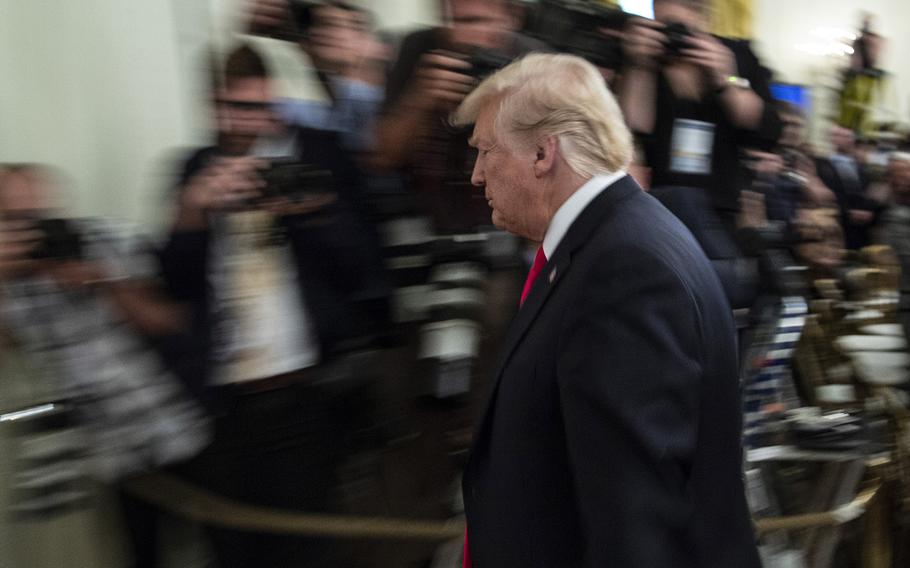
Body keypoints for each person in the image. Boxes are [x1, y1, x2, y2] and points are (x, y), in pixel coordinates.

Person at [452, 53, 760, 567]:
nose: (477, 175)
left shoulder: (623, 270)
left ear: (542, 153)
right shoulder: (613, 239)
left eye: (486, 151)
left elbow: (636, 514)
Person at [158, 43, 390, 567]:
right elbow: (173, 283)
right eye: (237, 107)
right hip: (225, 403)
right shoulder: (193, 170)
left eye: (262, 107)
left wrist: (311, 210)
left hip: (306, 393)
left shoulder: (317, 155)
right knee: (237, 550)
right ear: (213, 104)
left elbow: (363, 269)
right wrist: (193, 212)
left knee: (310, 549)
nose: (251, 121)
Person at [618, 0, 781, 233]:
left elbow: (769, 130)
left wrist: (727, 79)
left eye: (693, 9)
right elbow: (633, 131)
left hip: (722, 209)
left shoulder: (735, 55)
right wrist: (640, 67)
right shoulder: (644, 54)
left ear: (706, 14)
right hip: (656, 208)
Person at [816, 125, 876, 249]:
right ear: (832, 138)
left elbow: (868, 192)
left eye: (847, 136)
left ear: (852, 140)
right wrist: (846, 212)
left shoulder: (861, 168)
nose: (842, 139)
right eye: (838, 135)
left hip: (860, 228)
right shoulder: (822, 165)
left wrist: (868, 211)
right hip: (837, 223)